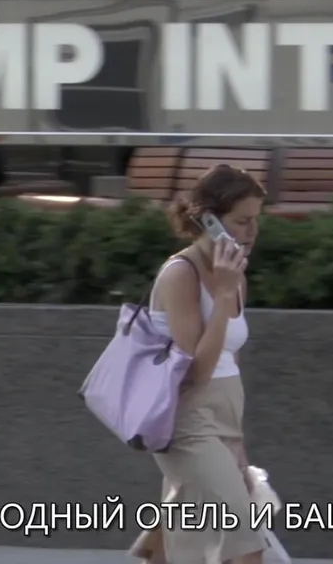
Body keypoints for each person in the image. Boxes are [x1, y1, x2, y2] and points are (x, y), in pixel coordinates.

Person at [128, 164, 267, 564]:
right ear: (209, 220)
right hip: (186, 419)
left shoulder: (233, 276)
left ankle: (156, 551)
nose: (252, 232)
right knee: (245, 536)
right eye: (241, 221)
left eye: (256, 220)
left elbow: (230, 357)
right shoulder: (181, 275)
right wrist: (222, 297)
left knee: (185, 533)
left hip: (225, 411)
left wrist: (236, 440)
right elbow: (197, 371)